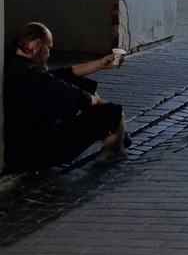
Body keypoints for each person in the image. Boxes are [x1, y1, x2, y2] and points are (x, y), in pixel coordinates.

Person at [3, 22, 127, 172]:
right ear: (35, 45)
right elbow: (77, 96)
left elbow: (63, 74)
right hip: (34, 154)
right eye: (47, 48)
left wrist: (100, 64)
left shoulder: (14, 64)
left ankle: (117, 135)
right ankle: (116, 149)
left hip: (20, 147)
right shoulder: (34, 76)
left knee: (79, 82)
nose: (48, 55)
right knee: (113, 112)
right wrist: (105, 108)